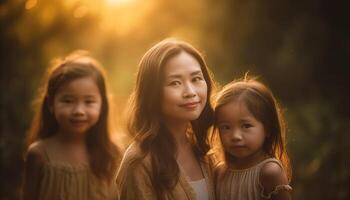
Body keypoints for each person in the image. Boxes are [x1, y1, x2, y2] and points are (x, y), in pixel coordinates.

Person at [115, 38, 216, 200]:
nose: (190, 91)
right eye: (175, 83)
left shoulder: (207, 148)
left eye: (196, 78)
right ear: (151, 93)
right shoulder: (139, 162)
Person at [22, 51, 120, 200]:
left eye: (89, 101)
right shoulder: (38, 154)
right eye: (68, 101)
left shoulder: (112, 154)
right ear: (50, 104)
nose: (79, 111)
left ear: (102, 105)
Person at [213, 76, 292, 200]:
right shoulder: (219, 172)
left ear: (268, 128)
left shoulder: (269, 172)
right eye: (226, 127)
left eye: (246, 126)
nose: (235, 136)